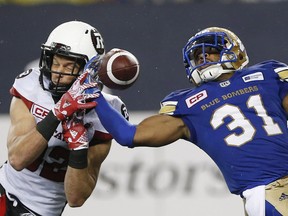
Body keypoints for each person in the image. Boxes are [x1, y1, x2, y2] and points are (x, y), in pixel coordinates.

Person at [83, 27, 288, 215]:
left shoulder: (267, 75)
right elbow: (129, 135)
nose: (203, 58)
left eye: (211, 51)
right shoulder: (188, 104)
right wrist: (95, 95)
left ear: (233, 51)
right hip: (264, 192)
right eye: (198, 56)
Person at [0, 20, 129, 215]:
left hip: (40, 211)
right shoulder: (31, 85)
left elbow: (76, 198)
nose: (57, 73)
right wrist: (58, 113)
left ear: (90, 70)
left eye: (68, 66)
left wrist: (78, 147)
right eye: (55, 62)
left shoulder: (106, 112)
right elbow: (18, 159)